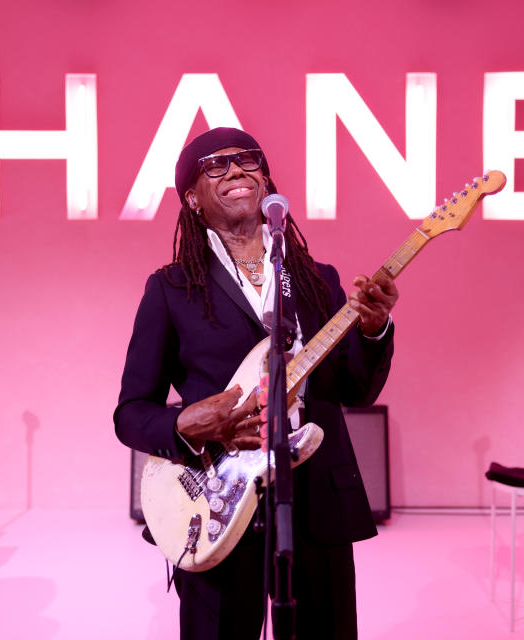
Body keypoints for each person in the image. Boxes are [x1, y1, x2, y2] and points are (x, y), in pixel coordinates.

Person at [114, 127, 398, 640]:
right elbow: (131, 412)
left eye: (246, 159)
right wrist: (184, 423)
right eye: (215, 166)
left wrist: (375, 330)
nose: (236, 170)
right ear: (192, 200)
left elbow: (355, 391)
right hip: (217, 502)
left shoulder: (317, 280)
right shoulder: (171, 289)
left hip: (315, 498)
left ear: (266, 179)